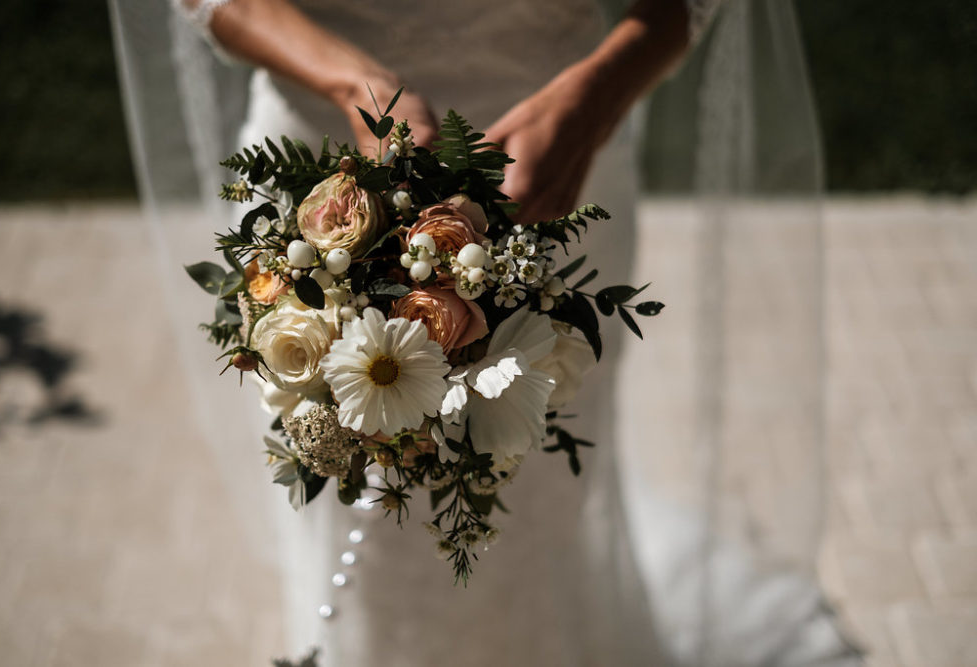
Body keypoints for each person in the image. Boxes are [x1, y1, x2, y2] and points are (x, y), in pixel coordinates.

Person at [109, 0, 861, 664]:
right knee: (347, 502)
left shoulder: (575, 135)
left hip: (558, 166)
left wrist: (598, 98)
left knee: (536, 500)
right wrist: (349, 83)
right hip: (323, 179)